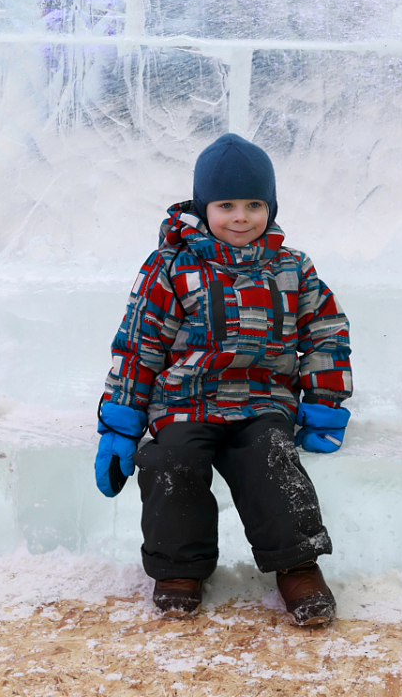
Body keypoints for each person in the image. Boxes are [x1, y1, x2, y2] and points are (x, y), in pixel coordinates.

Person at [93, 132, 353, 625]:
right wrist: (121, 422)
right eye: (226, 204)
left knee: (271, 459)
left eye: (254, 204)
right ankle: (178, 568)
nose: (240, 217)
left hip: (263, 401)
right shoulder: (171, 266)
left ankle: (297, 564)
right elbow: (138, 343)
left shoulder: (292, 267)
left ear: (270, 208)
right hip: (185, 402)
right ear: (204, 206)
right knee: (172, 461)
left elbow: (325, 335)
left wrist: (324, 403)